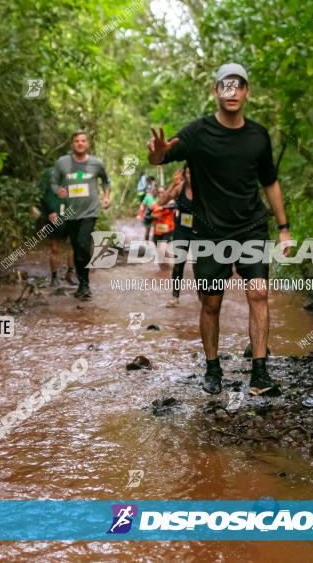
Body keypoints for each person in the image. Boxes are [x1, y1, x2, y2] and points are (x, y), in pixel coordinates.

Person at [146, 63, 291, 397]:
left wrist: (284, 228)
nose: (232, 92)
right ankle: (213, 368)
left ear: (246, 92)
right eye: (225, 86)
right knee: (211, 303)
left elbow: (270, 181)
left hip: (252, 228)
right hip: (210, 233)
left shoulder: (258, 135)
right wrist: (156, 154)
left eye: (238, 86)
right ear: (216, 91)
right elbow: (163, 156)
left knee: (258, 293)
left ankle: (259, 373)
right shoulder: (198, 133)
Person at [50, 131, 110, 299]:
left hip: (90, 211)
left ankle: (85, 284)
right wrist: (58, 190)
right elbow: (53, 183)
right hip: (70, 213)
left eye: (83, 141)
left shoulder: (96, 163)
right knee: (77, 248)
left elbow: (106, 181)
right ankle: (82, 284)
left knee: (83, 244)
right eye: (76, 141)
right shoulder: (62, 163)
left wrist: (106, 197)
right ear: (72, 144)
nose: (80, 143)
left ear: (87, 144)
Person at [38, 166, 76, 287]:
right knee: (55, 247)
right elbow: (41, 194)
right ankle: (54, 277)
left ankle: (70, 274)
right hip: (54, 215)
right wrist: (49, 211)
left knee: (73, 245)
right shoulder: (49, 173)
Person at [161, 167, 193, 307]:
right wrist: (173, 184)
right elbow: (163, 201)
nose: (191, 175)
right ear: (184, 174)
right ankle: (175, 296)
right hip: (181, 230)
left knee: (201, 266)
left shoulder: (203, 187)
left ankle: (203, 296)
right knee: (179, 263)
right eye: (188, 172)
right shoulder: (180, 187)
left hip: (199, 230)